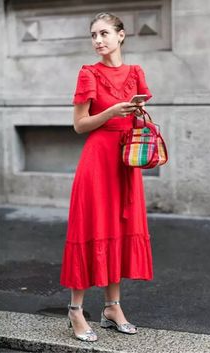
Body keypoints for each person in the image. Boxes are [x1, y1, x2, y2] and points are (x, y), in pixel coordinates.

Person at [60, 12, 154, 342]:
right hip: (97, 161)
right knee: (90, 228)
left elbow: (138, 123)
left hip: (124, 162)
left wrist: (136, 114)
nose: (98, 40)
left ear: (121, 35)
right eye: (93, 35)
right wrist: (112, 112)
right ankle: (75, 311)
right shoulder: (88, 73)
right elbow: (80, 124)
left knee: (119, 228)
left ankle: (112, 307)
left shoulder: (136, 73)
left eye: (104, 33)